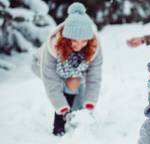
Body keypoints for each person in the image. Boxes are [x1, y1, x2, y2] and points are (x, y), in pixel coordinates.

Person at [31, 2, 103, 136]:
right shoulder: (53, 46)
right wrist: (61, 105)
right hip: (40, 65)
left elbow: (94, 76)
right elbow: (51, 81)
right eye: (74, 41)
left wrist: (90, 101)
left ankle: (75, 114)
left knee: (76, 87)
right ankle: (59, 125)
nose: (79, 45)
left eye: (83, 41)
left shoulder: (94, 47)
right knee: (68, 86)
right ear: (66, 38)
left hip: (72, 68)